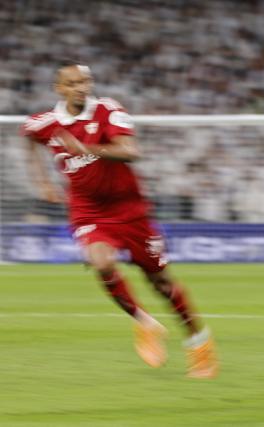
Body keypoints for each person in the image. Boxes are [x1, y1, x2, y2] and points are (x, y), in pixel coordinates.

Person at [21, 61, 218, 379]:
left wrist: (86, 147)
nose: (81, 88)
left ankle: (200, 344)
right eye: (72, 83)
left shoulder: (109, 111)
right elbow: (28, 137)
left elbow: (130, 151)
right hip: (89, 211)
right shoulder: (45, 123)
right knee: (101, 263)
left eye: (85, 82)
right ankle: (145, 323)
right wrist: (41, 181)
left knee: (162, 283)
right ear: (59, 88)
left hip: (131, 211)